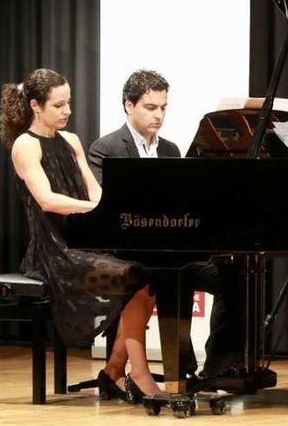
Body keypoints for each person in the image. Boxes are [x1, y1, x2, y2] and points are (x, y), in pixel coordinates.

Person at [0, 68, 162, 402]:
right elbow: (47, 200)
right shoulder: (24, 146)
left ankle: (115, 370)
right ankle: (138, 373)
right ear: (35, 106)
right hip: (52, 252)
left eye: (68, 103)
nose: (67, 111)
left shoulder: (71, 141)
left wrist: (119, 209)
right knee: (133, 275)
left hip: (82, 244)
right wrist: (93, 209)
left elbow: (96, 192)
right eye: (58, 105)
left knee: (148, 273)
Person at [88, 69, 242, 379]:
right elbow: (109, 210)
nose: (159, 115)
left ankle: (218, 368)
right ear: (129, 106)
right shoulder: (106, 149)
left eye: (163, 107)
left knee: (234, 274)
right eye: (150, 107)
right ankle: (178, 371)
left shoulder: (170, 150)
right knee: (176, 272)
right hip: (127, 253)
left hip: (169, 247)